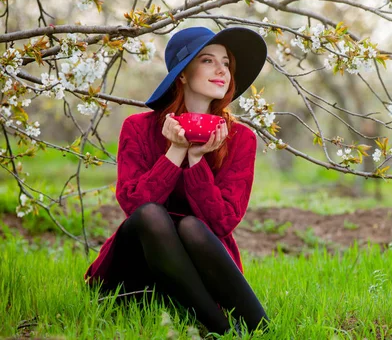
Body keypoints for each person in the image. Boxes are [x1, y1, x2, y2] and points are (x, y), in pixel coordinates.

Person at [83, 26, 270, 336]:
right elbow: (134, 205)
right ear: (182, 74)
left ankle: (256, 325)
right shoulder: (138, 128)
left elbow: (222, 222)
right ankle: (222, 329)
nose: (221, 69)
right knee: (152, 215)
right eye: (208, 60)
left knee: (192, 226)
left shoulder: (241, 139)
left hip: (202, 269)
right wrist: (175, 152)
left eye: (226, 62)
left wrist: (197, 161)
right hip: (137, 271)